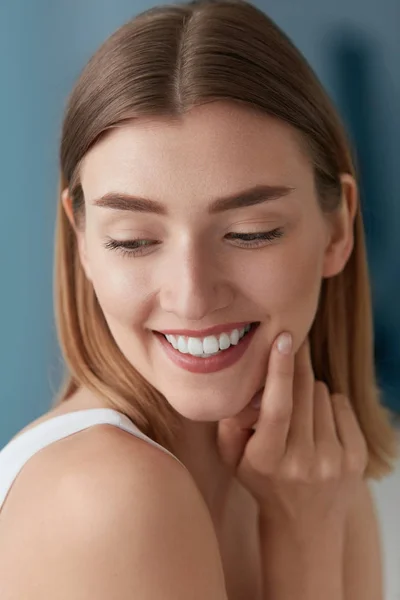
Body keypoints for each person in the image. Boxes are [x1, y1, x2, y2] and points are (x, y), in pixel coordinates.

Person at [0, 0, 398, 597]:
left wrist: (307, 524)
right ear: (83, 241)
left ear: (338, 229)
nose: (190, 296)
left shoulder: (314, 470)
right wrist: (304, 545)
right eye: (133, 241)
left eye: (250, 233)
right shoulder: (109, 497)